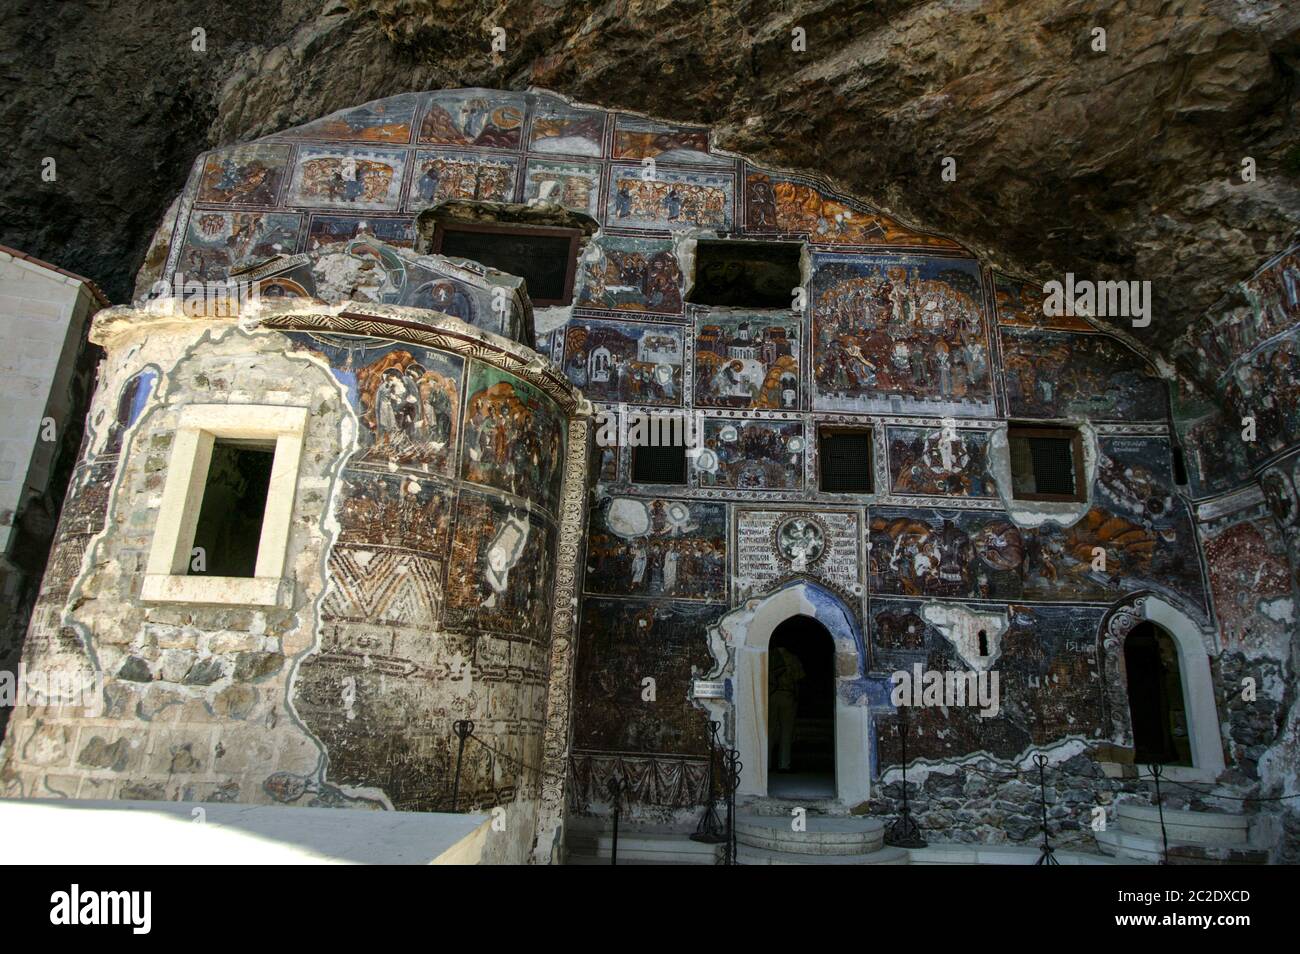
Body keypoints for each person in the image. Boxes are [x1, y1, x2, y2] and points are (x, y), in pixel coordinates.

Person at [769, 646, 805, 773]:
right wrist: (797, 697)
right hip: (788, 695)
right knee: (787, 732)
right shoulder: (792, 658)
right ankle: (784, 764)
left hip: (771, 695)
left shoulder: (769, 656)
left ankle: (767, 763)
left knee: (769, 731)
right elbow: (798, 679)